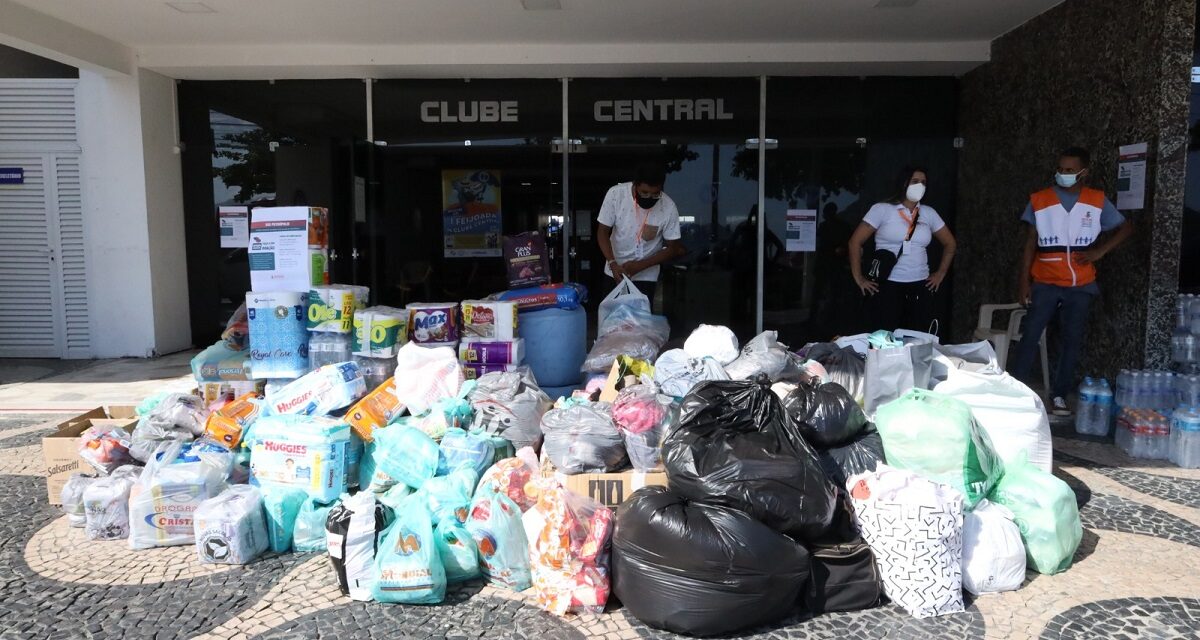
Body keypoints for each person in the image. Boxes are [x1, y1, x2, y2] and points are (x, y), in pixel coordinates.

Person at [1011, 147, 1133, 416]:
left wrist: (1099, 252)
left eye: (1069, 170)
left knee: (1071, 340)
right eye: (1060, 169)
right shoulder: (1040, 200)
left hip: (1081, 284)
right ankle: (1015, 391)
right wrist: (1024, 282)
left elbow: (1126, 227)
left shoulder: (1096, 200)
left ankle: (1059, 396)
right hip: (1044, 280)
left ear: (1083, 172)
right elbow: (1029, 243)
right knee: (1030, 334)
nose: (1062, 174)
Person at [848, 166, 957, 333]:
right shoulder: (882, 209)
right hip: (888, 284)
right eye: (915, 181)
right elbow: (855, 242)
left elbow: (950, 244)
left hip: (920, 283)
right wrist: (859, 278)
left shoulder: (928, 213)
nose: (919, 185)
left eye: (923, 182)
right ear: (904, 183)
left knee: (917, 337)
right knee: (885, 337)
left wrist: (940, 273)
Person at [596, 163, 686, 303]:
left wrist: (641, 265)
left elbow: (673, 248)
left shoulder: (668, 207)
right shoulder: (616, 194)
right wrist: (613, 263)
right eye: (644, 193)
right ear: (635, 185)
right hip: (615, 272)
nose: (649, 197)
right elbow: (602, 232)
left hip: (646, 276)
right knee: (611, 320)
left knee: (640, 322)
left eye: (655, 194)